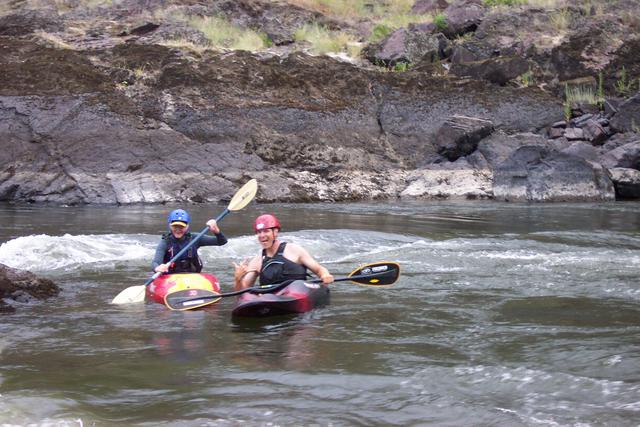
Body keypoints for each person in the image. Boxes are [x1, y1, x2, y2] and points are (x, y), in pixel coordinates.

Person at [233, 213, 334, 290]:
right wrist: (238, 278)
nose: (262, 235)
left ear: (275, 232)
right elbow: (242, 291)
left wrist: (325, 275)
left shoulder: (294, 250)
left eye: (266, 231)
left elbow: (319, 269)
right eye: (259, 232)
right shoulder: (257, 261)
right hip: (271, 300)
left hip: (296, 296)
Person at [152, 209, 228, 274]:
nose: (178, 230)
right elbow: (155, 262)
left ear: (187, 226)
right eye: (175, 226)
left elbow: (222, 241)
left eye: (181, 227)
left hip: (192, 276)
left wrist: (216, 231)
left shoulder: (195, 238)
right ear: (170, 225)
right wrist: (157, 268)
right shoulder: (165, 242)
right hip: (171, 278)